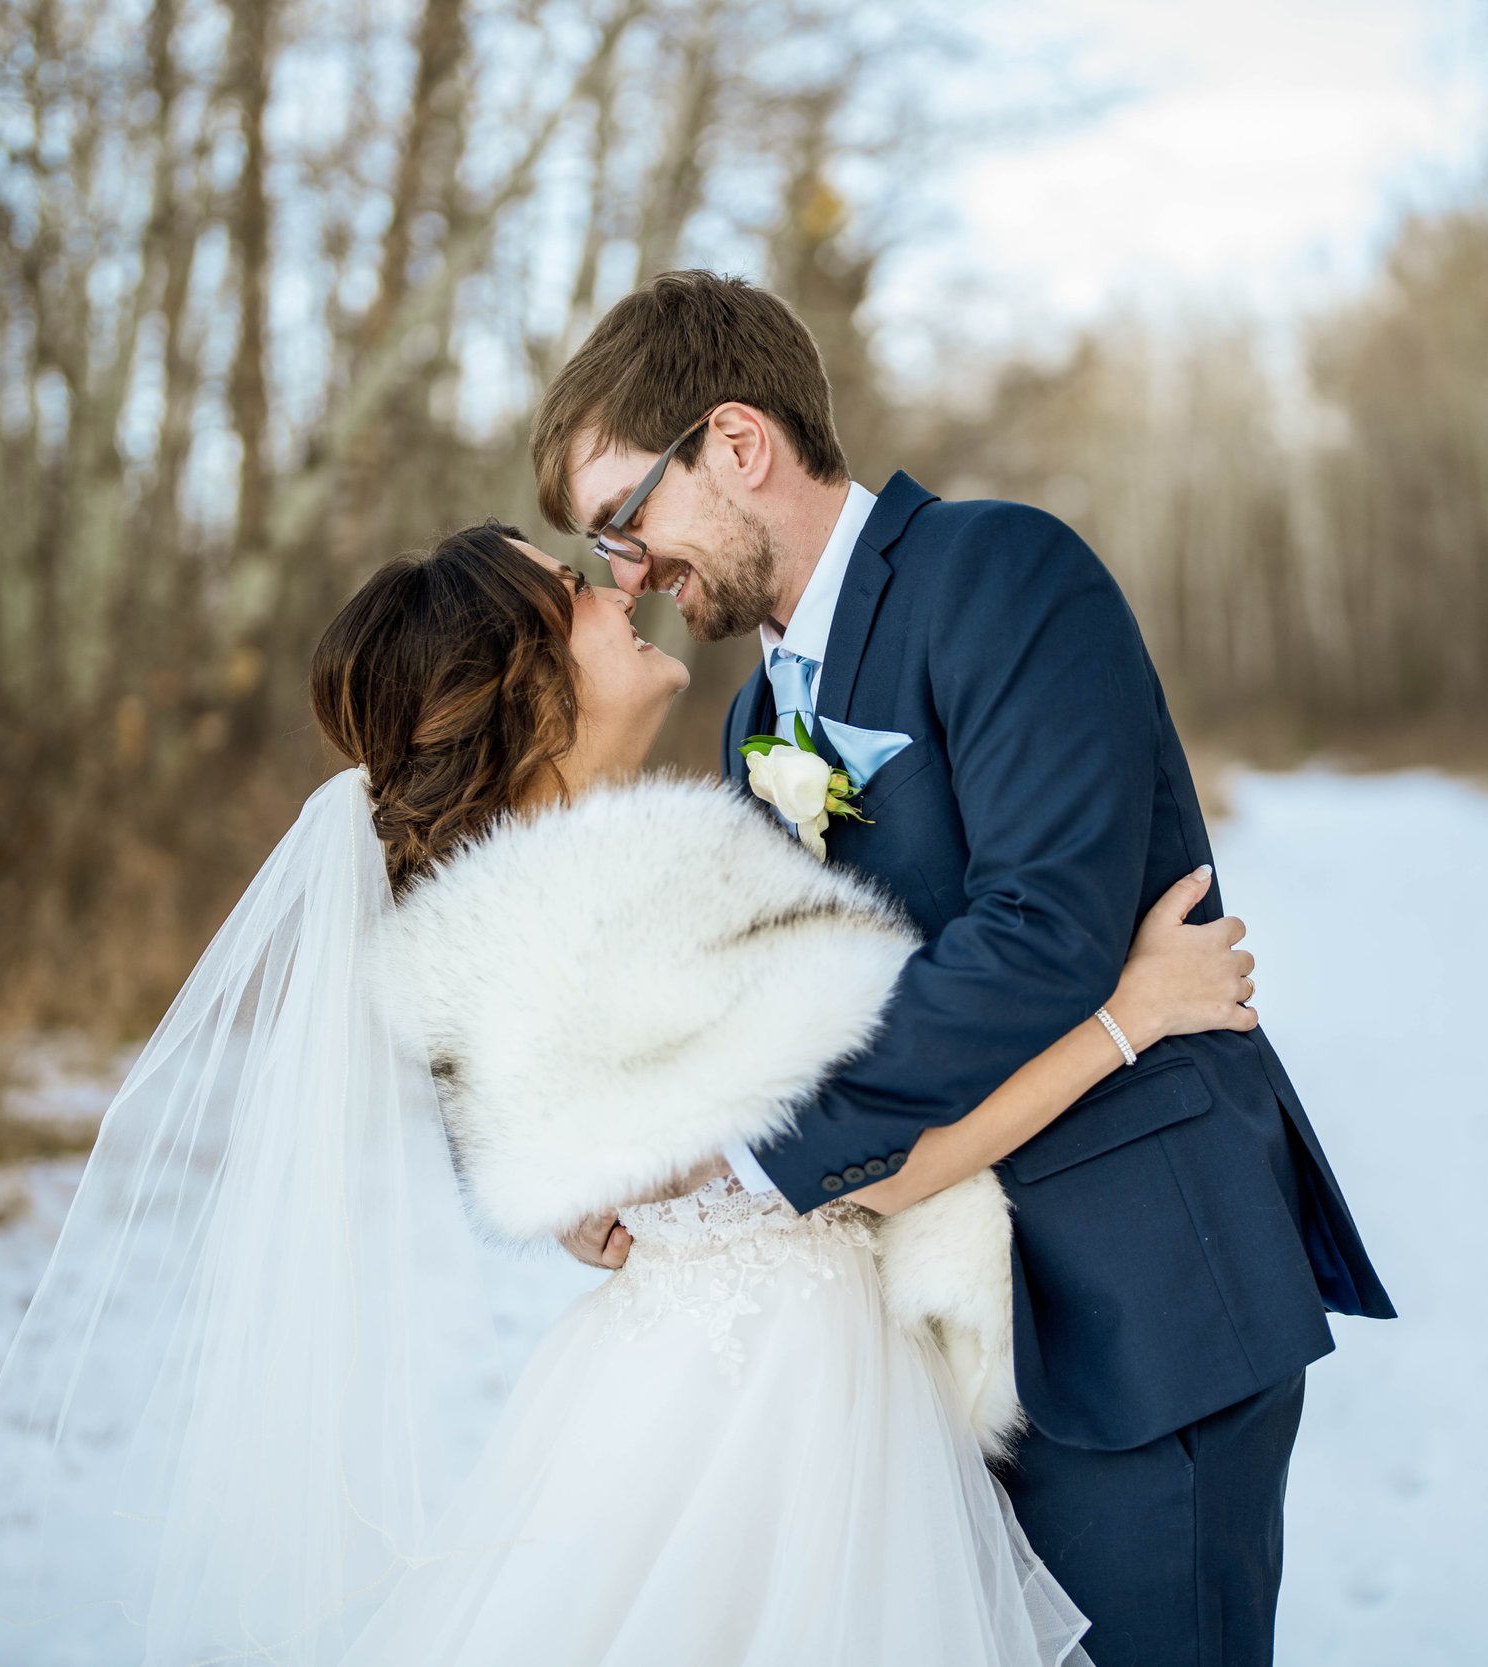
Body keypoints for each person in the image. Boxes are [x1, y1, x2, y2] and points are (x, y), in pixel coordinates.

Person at [0, 517, 1261, 1666]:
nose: (619, 585)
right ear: (527, 686)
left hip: (688, 1385)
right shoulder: (628, 903)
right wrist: (1130, 1018)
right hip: (780, 1412)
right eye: (574, 590)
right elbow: (885, 1161)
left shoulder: (529, 907)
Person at [532, 270, 1399, 1666]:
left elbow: (1044, 937)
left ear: (738, 445)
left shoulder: (999, 573)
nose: (629, 577)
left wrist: (748, 1159)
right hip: (919, 1344)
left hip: (1132, 1311)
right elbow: (777, 1015)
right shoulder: (757, 715)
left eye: (626, 523)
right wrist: (641, 1162)